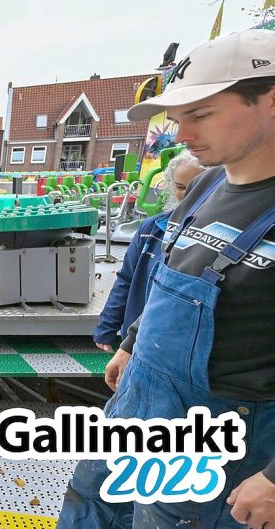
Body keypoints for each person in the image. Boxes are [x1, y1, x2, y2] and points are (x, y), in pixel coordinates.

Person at [59, 29, 275, 528]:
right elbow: (169, 272)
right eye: (178, 119)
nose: (182, 135)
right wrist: (132, 345)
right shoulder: (205, 184)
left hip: (220, 445)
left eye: (200, 114)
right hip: (140, 406)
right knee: (94, 507)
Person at [92, 151, 204, 352]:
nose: (188, 194)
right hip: (136, 342)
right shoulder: (151, 230)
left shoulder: (216, 237)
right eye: (180, 187)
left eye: (199, 186)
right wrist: (107, 325)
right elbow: (126, 278)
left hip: (182, 347)